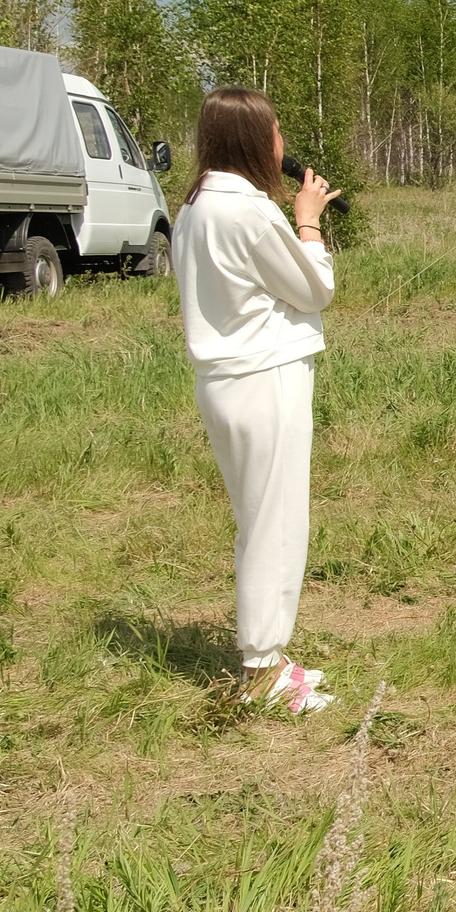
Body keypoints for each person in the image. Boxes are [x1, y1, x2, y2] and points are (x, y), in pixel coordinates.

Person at [173, 87, 341, 714]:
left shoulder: (195, 208)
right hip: (264, 377)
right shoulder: (249, 212)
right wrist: (309, 219)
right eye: (274, 132)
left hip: (221, 380)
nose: (281, 144)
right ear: (251, 139)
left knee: (256, 520)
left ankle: (267, 656)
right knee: (277, 524)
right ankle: (263, 670)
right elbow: (314, 287)